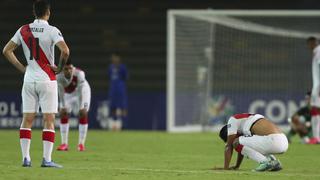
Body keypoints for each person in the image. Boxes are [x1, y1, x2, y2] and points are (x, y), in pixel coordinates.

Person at [2, 0, 69, 168]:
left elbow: (6, 50)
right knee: (49, 119)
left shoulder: (23, 30)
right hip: (47, 80)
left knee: (27, 119)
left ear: (34, 12)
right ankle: (46, 160)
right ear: (48, 12)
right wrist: (59, 68)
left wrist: (21, 68)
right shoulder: (53, 30)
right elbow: (65, 51)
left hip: (29, 79)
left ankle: (26, 158)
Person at [216, 113, 288, 172]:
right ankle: (274, 161)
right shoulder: (247, 121)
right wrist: (237, 166)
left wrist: (225, 169)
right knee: (242, 143)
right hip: (283, 141)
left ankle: (265, 162)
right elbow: (242, 149)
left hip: (273, 140)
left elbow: (229, 146)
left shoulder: (232, 120)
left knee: (236, 142)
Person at [56, 59, 91, 151]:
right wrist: (63, 106)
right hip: (68, 93)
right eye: (66, 69)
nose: (68, 71)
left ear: (73, 67)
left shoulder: (80, 74)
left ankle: (81, 144)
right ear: (62, 69)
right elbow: (60, 92)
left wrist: (81, 107)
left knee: (83, 113)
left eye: (70, 68)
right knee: (63, 113)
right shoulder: (58, 76)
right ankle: (64, 144)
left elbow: (80, 92)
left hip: (83, 92)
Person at [107, 53, 128, 130]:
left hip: (121, 90)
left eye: (116, 58)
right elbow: (109, 77)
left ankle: (124, 124)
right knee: (113, 108)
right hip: (113, 90)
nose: (114, 60)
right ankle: (113, 124)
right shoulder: (110, 67)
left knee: (123, 107)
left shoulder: (122, 67)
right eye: (113, 58)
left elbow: (126, 77)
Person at [306, 37, 320, 144]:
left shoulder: (319, 51)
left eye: (309, 44)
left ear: (312, 43)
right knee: (315, 110)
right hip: (317, 85)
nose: (308, 46)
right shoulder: (316, 52)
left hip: (318, 86)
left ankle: (316, 137)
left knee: (315, 109)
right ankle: (316, 137)